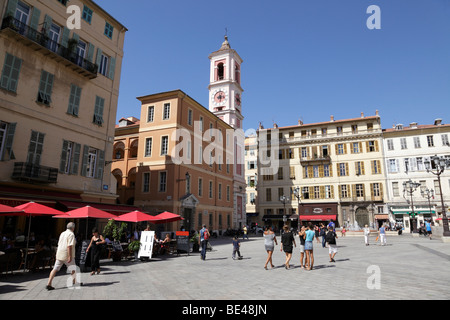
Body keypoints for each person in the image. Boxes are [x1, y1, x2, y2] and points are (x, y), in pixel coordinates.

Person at [46, 222, 82, 290]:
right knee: (73, 268)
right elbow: (69, 246)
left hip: (60, 253)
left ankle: (49, 283)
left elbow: (59, 243)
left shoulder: (62, 233)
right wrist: (70, 256)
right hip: (67, 253)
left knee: (55, 268)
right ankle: (75, 282)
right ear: (73, 228)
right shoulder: (71, 234)